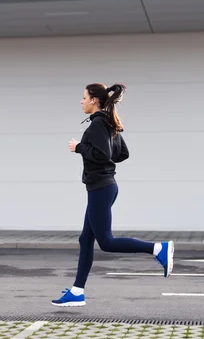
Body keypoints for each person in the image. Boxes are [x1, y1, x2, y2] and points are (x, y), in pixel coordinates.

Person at [51, 82, 174, 307]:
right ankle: (77, 292)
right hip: (104, 186)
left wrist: (79, 147)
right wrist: (101, 157)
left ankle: (158, 249)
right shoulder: (107, 122)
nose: (81, 101)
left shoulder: (99, 124)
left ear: (94, 101)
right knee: (86, 239)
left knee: (106, 241)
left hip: (101, 187)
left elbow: (103, 154)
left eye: (84, 97)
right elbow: (121, 153)